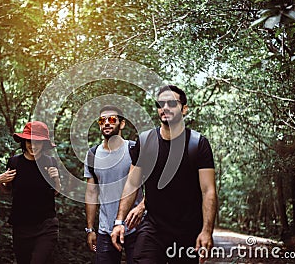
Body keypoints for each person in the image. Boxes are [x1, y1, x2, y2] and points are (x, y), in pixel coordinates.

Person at [111, 85, 217, 263]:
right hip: (153, 228)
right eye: (161, 104)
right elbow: (132, 183)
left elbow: (209, 191)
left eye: (172, 103)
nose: (165, 107)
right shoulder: (145, 142)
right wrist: (119, 221)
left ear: (184, 109)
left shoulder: (198, 144)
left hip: (188, 230)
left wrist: (206, 231)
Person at [84, 105, 145, 264]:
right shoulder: (93, 154)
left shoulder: (134, 149)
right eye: (102, 120)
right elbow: (91, 194)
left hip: (136, 227)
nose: (106, 123)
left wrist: (142, 207)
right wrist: (90, 229)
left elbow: (154, 185)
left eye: (112, 119)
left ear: (122, 124)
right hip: (105, 229)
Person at [0, 121, 61, 264]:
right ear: (24, 142)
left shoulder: (50, 162)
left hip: (46, 225)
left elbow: (55, 192)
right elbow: (8, 190)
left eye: (38, 142)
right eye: (29, 141)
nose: (33, 146)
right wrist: (0, 181)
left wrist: (56, 179)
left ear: (44, 144)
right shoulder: (14, 162)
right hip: (21, 226)